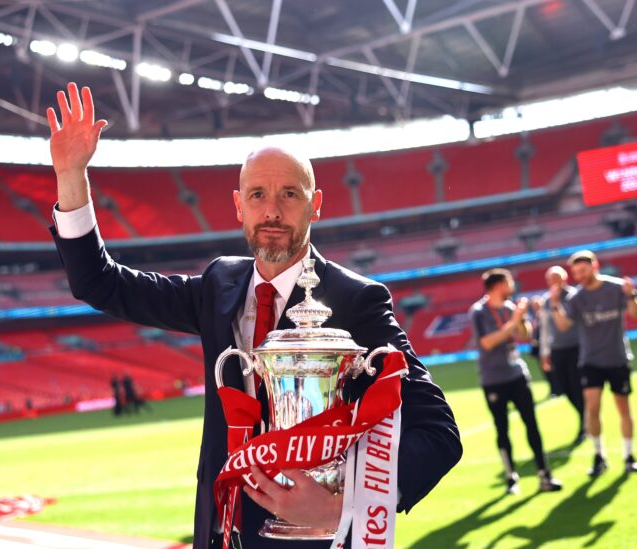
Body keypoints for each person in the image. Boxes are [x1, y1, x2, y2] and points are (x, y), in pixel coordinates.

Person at [46, 82, 462, 548]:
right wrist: (71, 176)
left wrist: (347, 504)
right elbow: (101, 283)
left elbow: (439, 433)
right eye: (258, 195)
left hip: (312, 539)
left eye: (290, 194)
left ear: (316, 205)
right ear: (239, 206)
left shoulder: (356, 300)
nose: (273, 211)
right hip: (220, 533)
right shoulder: (218, 285)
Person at [469, 268, 562, 494]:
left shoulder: (510, 308)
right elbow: (488, 343)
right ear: (499, 284)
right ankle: (511, 477)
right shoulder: (479, 311)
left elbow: (525, 335)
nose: (512, 286)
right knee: (503, 429)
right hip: (493, 379)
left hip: (517, 375)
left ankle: (544, 474)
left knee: (532, 424)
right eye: (509, 282)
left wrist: (521, 320)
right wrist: (513, 322)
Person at [550, 250, 637, 476]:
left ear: (594, 265)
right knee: (592, 408)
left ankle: (628, 456)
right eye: (575, 272)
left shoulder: (616, 287)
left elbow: (634, 314)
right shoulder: (576, 298)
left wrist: (631, 296)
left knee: (623, 409)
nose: (579, 275)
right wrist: (554, 305)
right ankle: (599, 455)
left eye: (583, 270)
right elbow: (563, 326)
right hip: (590, 360)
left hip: (617, 358)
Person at [538, 266, 585, 444]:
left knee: (577, 386)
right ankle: (584, 415)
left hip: (576, 347)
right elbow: (544, 328)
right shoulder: (545, 300)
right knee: (564, 388)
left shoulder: (574, 296)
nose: (553, 283)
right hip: (557, 350)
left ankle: (584, 422)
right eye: (550, 279)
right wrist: (544, 352)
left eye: (556, 279)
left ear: (564, 279)